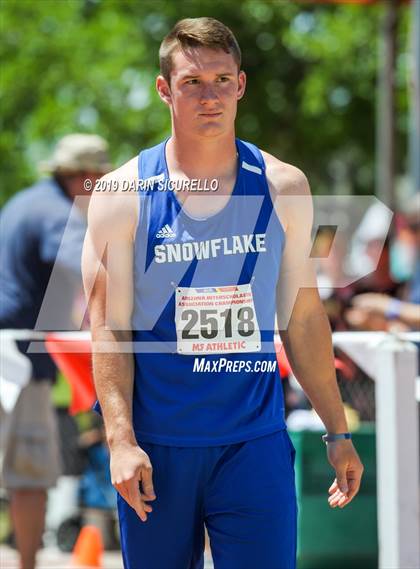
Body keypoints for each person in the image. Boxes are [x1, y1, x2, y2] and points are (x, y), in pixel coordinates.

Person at [83, 18, 363, 569]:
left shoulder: (284, 186)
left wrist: (337, 429)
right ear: (165, 89)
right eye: (192, 82)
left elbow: (302, 317)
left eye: (221, 79)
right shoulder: (122, 195)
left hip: (252, 447)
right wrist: (119, 440)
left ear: (241, 85)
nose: (209, 95)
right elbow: (109, 328)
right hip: (158, 449)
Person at [0, 133, 111, 569]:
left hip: (18, 355)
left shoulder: (24, 202)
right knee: (29, 475)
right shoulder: (57, 214)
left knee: (25, 473)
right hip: (15, 360)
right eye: (100, 179)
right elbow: (91, 264)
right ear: (84, 177)